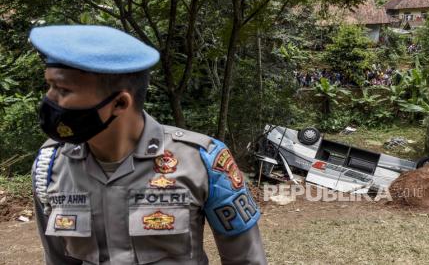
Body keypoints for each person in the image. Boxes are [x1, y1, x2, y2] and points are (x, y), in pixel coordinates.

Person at [29, 25, 266, 265]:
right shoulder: (50, 167)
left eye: (62, 89)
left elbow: (246, 259)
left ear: (120, 103)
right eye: (49, 86)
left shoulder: (203, 161)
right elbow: (57, 259)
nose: (49, 99)